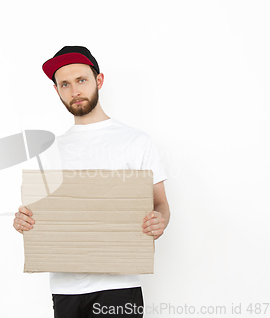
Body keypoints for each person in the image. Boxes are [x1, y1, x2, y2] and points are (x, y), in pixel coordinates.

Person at [13, 45, 170, 318]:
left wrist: (160, 220)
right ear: (57, 90)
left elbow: (161, 204)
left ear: (98, 81)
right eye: (65, 84)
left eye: (81, 80)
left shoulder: (136, 141)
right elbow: (41, 213)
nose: (74, 91)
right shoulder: (51, 150)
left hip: (119, 286)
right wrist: (24, 221)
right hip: (65, 289)